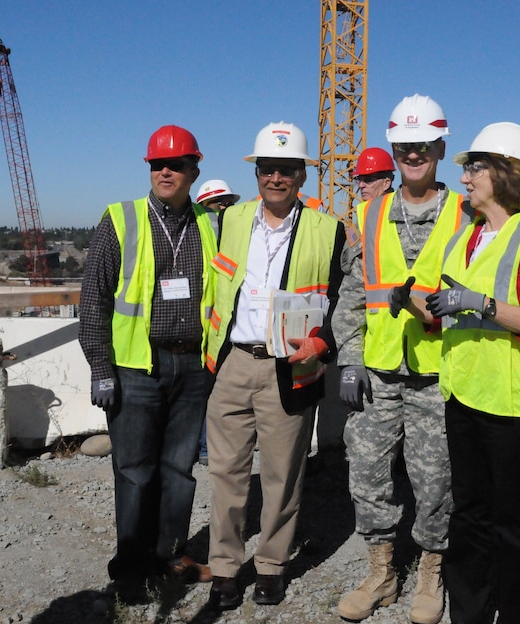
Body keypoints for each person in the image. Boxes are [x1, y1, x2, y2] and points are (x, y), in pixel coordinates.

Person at [334, 94, 470, 624]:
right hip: (379, 369)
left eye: (424, 146)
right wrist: (349, 358)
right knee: (367, 472)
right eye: (404, 147)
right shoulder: (369, 214)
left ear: (439, 147)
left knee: (435, 478)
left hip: (439, 372)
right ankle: (381, 572)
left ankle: (432, 573)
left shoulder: (465, 212)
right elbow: (351, 295)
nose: (414, 154)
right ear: (394, 150)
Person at [204, 121, 346, 610]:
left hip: (291, 367)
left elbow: (343, 300)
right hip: (234, 363)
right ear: (257, 172)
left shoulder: (329, 230)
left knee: (283, 474)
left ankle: (270, 565)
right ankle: (224, 568)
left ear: (302, 175)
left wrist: (325, 342)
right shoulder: (232, 220)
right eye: (268, 168)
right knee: (226, 472)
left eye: (287, 170)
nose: (276, 177)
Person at [423, 122, 520, 624]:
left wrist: (478, 302)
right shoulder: (465, 237)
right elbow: (443, 316)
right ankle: (470, 613)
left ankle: (517, 613)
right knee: (470, 516)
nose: (465, 177)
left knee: (512, 525)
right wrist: (420, 305)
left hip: (508, 404)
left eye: (475, 166)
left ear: (507, 173)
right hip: (463, 397)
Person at [78, 125, 217, 600]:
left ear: (193, 170)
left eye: (175, 165)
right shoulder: (121, 219)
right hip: (136, 367)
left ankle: (171, 556)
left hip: (193, 367)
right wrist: (100, 366)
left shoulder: (209, 223)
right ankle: (131, 570)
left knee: (179, 470)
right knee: (135, 472)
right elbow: (92, 299)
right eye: (157, 164)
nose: (165, 171)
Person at [193, 178, 241, 466]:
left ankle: (208, 448)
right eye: (218, 203)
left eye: (228, 203)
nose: (224, 208)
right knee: (203, 392)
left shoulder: (234, 232)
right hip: (203, 325)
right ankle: (204, 448)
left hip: (225, 326)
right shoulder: (202, 232)